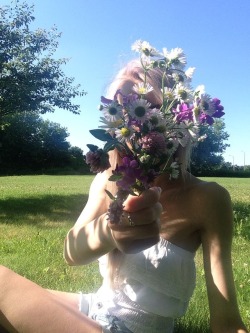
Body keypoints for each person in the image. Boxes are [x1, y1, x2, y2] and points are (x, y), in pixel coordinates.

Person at [0, 41, 248, 333]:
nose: (133, 122)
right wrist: (109, 230)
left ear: (177, 115)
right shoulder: (108, 179)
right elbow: (71, 252)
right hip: (95, 308)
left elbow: (227, 321)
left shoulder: (207, 197)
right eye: (117, 110)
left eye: (146, 108)